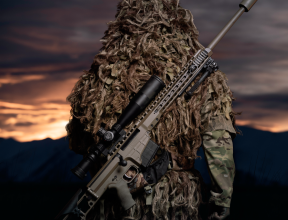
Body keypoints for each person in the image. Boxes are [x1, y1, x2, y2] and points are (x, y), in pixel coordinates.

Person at [66, 0, 237, 219]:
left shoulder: (97, 75)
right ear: (177, 18)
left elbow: (78, 144)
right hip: (173, 200)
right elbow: (219, 145)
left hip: (109, 206)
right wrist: (221, 203)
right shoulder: (207, 80)